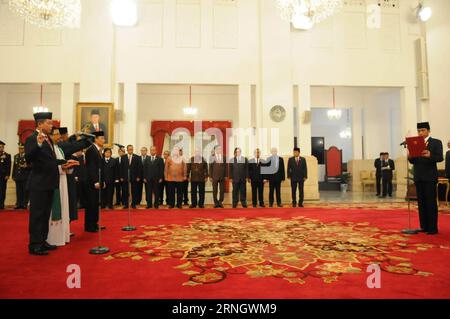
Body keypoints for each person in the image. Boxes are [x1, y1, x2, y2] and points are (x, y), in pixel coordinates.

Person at [25, 112, 59, 255]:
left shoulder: (48, 139)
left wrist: (64, 163)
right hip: (38, 183)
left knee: (45, 214)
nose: (51, 125)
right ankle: (34, 244)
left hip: (48, 183)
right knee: (37, 214)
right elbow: (29, 157)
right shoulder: (32, 138)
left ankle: (42, 240)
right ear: (40, 124)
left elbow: (49, 160)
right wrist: (38, 144)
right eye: (49, 123)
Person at [408, 122, 443, 235]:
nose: (420, 132)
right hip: (419, 176)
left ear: (428, 130)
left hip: (429, 177)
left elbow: (440, 157)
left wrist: (430, 155)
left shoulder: (436, 142)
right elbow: (414, 161)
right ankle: (424, 226)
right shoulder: (416, 143)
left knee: (430, 203)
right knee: (421, 203)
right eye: (419, 131)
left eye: (422, 130)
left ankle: (433, 228)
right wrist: (410, 156)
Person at [46, 127, 79, 246]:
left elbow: (62, 163)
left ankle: (63, 235)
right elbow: (50, 166)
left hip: (63, 180)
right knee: (56, 209)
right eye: (55, 134)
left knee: (64, 208)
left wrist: (69, 166)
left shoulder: (59, 148)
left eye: (59, 134)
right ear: (49, 136)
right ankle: (53, 238)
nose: (58, 137)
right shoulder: (50, 149)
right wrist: (63, 167)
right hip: (55, 182)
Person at [84, 131, 106, 232]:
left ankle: (95, 223)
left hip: (98, 181)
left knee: (96, 203)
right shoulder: (91, 150)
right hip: (92, 182)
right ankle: (89, 226)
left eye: (104, 138)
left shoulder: (98, 150)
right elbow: (91, 167)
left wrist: (102, 180)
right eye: (101, 138)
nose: (103, 140)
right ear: (96, 139)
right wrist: (95, 181)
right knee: (91, 204)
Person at [120, 145, 143, 209]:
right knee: (125, 191)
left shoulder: (137, 157)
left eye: (132, 149)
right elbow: (121, 168)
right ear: (127, 150)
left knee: (134, 191)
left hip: (134, 177)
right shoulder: (123, 157)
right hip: (125, 176)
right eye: (129, 149)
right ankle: (125, 204)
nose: (131, 150)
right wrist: (121, 176)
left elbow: (139, 168)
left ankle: (133, 204)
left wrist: (138, 176)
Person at [12, 143, 30, 210]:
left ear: (24, 149)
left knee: (24, 191)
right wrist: (13, 175)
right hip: (18, 177)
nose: (20, 150)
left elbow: (31, 166)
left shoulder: (27, 156)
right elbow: (14, 167)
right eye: (19, 148)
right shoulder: (16, 156)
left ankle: (24, 204)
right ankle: (19, 204)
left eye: (22, 148)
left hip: (25, 177)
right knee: (18, 191)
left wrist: (26, 166)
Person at [0, 140, 11, 210]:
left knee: (2, 190)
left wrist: (7, 175)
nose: (1, 148)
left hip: (3, 176)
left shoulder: (7, 155)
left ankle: (1, 204)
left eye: (2, 147)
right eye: (0, 147)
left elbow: (8, 166)